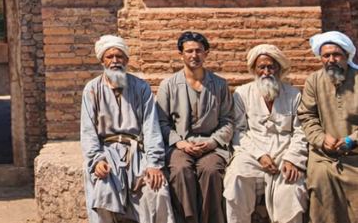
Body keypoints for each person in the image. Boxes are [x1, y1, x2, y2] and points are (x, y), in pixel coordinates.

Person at [81, 34, 174, 223]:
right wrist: (96, 160)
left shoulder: (141, 87)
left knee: (158, 191)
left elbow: (151, 126)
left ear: (126, 60)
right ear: (102, 60)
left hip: (137, 153)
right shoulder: (91, 89)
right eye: (110, 57)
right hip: (106, 153)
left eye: (119, 56)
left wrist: (154, 163)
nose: (115, 61)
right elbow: (88, 130)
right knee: (102, 190)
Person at [223, 44, 307, 223]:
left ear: (278, 69)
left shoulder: (293, 94)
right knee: (236, 178)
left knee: (292, 187)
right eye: (262, 67)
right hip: (251, 152)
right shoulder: (242, 93)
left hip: (285, 152)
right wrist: (260, 156)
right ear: (254, 69)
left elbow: (300, 131)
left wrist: (292, 159)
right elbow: (239, 131)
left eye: (271, 66)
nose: (267, 71)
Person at [155, 31, 233, 223]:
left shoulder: (220, 85)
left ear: (206, 52)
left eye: (198, 50)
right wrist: (180, 143)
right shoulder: (168, 85)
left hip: (211, 146)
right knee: (180, 170)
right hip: (180, 145)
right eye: (189, 51)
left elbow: (228, 121)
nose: (194, 55)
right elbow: (162, 123)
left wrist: (213, 142)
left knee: (212, 171)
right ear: (181, 54)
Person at [297, 30, 358, 223]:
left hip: (355, 154)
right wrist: (321, 139)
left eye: (336, 54)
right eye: (326, 55)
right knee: (319, 182)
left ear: (346, 56)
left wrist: (351, 140)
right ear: (320, 58)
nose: (331, 59)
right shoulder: (313, 81)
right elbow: (307, 116)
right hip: (323, 155)